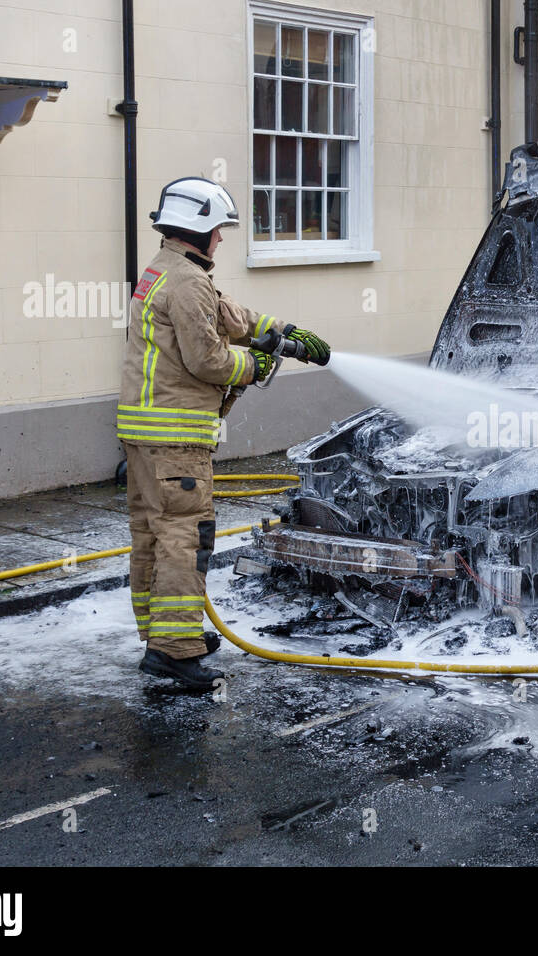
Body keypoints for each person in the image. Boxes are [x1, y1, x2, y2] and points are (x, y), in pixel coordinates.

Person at [117, 177, 330, 690]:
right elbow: (207, 357)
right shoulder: (188, 281)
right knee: (184, 538)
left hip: (145, 433)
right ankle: (174, 651)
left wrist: (285, 334)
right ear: (202, 228)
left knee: (153, 533)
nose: (221, 238)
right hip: (176, 439)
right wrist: (256, 365)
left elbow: (226, 316)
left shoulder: (165, 270)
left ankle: (164, 636)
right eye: (219, 229)